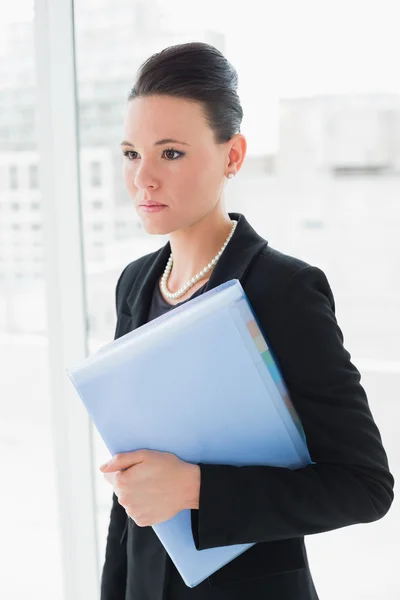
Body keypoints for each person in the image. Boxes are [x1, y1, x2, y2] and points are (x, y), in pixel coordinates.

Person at [99, 42, 394, 600]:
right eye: (131, 153)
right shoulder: (135, 284)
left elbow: (364, 486)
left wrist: (195, 487)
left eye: (172, 153)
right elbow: (130, 487)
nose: (144, 179)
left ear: (232, 156)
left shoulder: (283, 290)